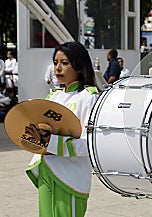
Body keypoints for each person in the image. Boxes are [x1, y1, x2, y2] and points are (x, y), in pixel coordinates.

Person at [24, 41, 99, 217]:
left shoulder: (88, 97)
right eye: (55, 62)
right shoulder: (52, 97)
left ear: (79, 66)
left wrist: (51, 143)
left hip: (70, 177)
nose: (58, 68)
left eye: (64, 63)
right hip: (46, 170)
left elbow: (90, 145)